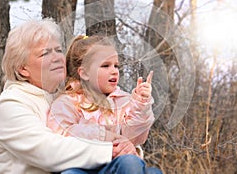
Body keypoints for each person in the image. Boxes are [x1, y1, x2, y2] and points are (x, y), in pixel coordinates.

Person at [0, 19, 145, 174]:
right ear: (23, 68)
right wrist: (111, 149)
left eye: (58, 50)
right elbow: (47, 151)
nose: (57, 57)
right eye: (45, 53)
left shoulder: (66, 97)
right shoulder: (11, 104)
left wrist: (127, 147)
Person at [47, 35, 162, 174]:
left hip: (117, 166)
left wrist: (140, 104)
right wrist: (103, 137)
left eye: (116, 66)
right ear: (84, 73)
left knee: (147, 169)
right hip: (82, 167)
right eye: (105, 66)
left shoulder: (123, 101)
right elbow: (61, 135)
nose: (114, 71)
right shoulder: (67, 102)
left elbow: (135, 137)